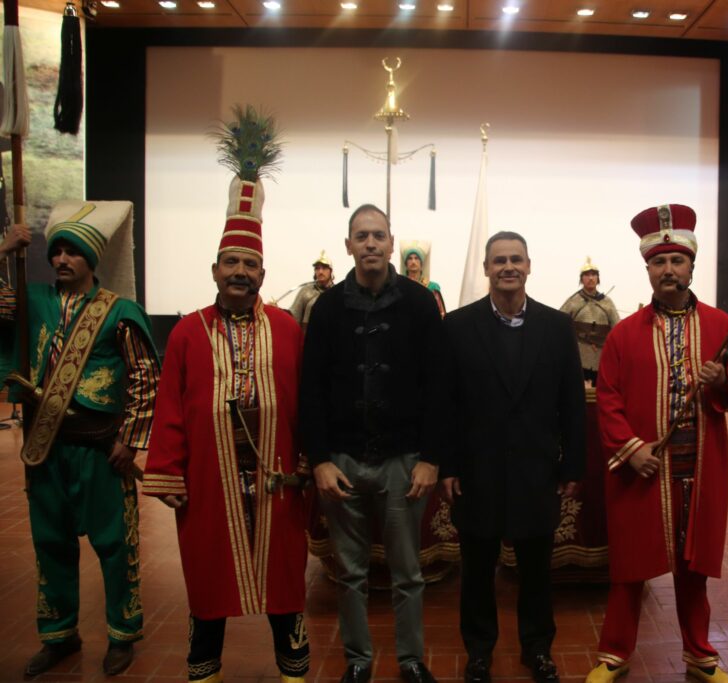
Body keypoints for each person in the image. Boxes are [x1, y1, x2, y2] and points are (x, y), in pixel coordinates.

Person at [142, 118, 310, 683]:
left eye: (250, 265)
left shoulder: (287, 329)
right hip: (209, 485)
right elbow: (170, 406)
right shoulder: (187, 333)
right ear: (215, 270)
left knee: (284, 582)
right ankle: (204, 670)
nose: (241, 272)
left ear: (263, 272)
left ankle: (293, 672)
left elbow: (306, 402)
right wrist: (167, 470)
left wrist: (309, 461)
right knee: (208, 581)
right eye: (231, 263)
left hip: (277, 483)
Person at [584, 204, 728, 683]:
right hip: (644, 470)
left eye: (677, 261)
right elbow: (608, 397)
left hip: (701, 468)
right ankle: (614, 655)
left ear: (691, 266)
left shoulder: (721, 326)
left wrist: (722, 381)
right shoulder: (624, 334)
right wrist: (631, 448)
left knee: (693, 568)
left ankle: (700, 656)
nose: (668, 270)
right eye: (658, 262)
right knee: (629, 569)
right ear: (647, 270)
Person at [0, 202, 159, 677]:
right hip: (45, 448)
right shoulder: (32, 301)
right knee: (51, 544)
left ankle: (122, 634)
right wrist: (3, 249)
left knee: (115, 545)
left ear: (91, 258)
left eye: (72, 252)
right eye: (57, 251)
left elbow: (145, 378)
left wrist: (130, 440)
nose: (61, 259)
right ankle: (59, 635)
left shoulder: (119, 311)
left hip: (100, 450)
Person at [300, 204, 445, 683]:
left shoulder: (420, 304)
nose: (370, 244)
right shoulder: (327, 308)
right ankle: (358, 660)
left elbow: (438, 387)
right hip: (342, 460)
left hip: (403, 461)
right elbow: (311, 390)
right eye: (361, 236)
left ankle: (411, 660)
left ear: (391, 243)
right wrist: (319, 460)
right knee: (350, 573)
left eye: (378, 235)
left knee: (407, 573)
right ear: (348, 245)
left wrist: (431, 458)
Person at [441, 231, 586, 683]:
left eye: (516, 259)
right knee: (476, 571)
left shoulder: (557, 326)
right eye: (499, 260)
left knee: (536, 572)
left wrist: (572, 464)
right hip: (477, 471)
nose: (508, 267)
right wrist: (447, 465)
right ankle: (479, 653)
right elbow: (445, 404)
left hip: (535, 471)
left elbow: (572, 402)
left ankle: (538, 650)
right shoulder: (457, 326)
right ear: (486, 268)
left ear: (529, 266)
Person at [560, 256, 619, 386]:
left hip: (602, 355)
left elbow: (618, 329)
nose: (591, 278)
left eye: (594, 275)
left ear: (598, 278)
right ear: (582, 279)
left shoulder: (607, 302)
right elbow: (559, 325)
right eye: (587, 275)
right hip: (578, 354)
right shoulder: (573, 301)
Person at [289, 250, 334, 330]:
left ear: (330, 271)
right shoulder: (306, 291)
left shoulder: (336, 293)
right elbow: (293, 316)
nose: (320, 272)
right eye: (317, 268)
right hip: (307, 334)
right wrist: (278, 311)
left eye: (324, 268)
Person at [401, 240, 446, 316]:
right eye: (410, 258)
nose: (413, 261)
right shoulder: (399, 287)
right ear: (406, 263)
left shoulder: (432, 287)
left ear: (421, 263)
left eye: (416, 258)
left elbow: (440, 314)